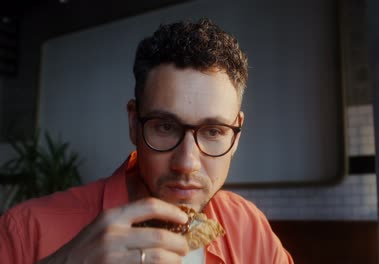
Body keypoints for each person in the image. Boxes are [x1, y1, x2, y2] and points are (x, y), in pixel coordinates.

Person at [0, 18, 293, 263]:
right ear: (133, 123)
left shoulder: (249, 229)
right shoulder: (24, 231)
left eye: (213, 131)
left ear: (236, 132)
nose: (186, 163)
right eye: (165, 126)